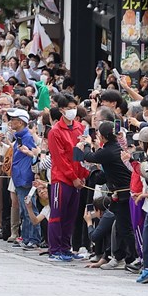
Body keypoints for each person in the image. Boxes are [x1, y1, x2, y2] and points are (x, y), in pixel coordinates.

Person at [77, 121, 137, 267]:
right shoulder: (114, 148)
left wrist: (85, 144)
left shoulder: (108, 151)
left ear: (102, 137)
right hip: (119, 191)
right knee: (120, 227)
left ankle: (135, 258)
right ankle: (120, 256)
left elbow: (89, 156)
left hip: (123, 193)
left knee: (124, 228)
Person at [47, 94, 90, 262]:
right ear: (61, 110)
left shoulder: (80, 128)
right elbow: (60, 159)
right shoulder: (55, 131)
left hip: (77, 179)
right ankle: (55, 249)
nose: (72, 110)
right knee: (57, 215)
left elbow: (83, 154)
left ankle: (66, 248)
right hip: (62, 179)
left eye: (74, 107)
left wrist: (83, 175)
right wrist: (73, 177)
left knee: (71, 216)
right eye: (69, 108)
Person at [7, 108, 41, 249]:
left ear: (21, 122)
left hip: (25, 177)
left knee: (30, 208)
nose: (10, 122)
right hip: (19, 177)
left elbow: (34, 156)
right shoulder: (20, 137)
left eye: (13, 120)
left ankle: (34, 238)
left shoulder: (27, 136)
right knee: (24, 209)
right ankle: (26, 238)